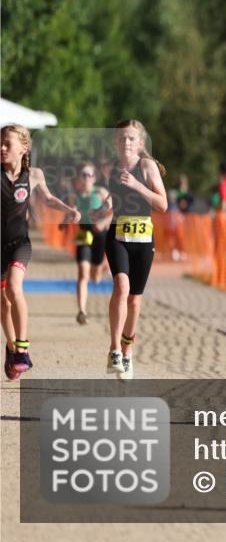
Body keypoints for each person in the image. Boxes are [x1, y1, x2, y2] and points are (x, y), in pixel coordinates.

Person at [2, 124, 81, 380]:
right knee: (3, 302)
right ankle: (11, 347)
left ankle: (22, 350)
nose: (2, 148)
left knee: (14, 288)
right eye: (0, 143)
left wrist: (68, 210)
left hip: (19, 243)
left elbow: (47, 199)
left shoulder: (33, 175)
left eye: (7, 143)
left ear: (24, 148)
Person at [91, 120, 168, 380]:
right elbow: (115, 200)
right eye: (122, 138)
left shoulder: (147, 167)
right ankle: (114, 349)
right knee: (121, 288)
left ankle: (127, 350)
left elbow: (163, 204)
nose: (126, 142)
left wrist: (137, 185)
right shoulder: (112, 169)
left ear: (140, 142)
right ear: (116, 142)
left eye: (131, 138)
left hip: (143, 239)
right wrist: (103, 208)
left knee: (135, 300)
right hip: (118, 235)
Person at [71, 161, 111, 325]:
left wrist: (103, 222)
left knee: (95, 277)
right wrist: (69, 217)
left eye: (90, 175)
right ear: (79, 178)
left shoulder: (101, 192)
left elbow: (115, 211)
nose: (87, 178)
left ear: (95, 177)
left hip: (100, 235)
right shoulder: (75, 196)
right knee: (83, 273)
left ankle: (101, 267)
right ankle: (82, 311)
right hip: (84, 234)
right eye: (84, 174)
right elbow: (71, 210)